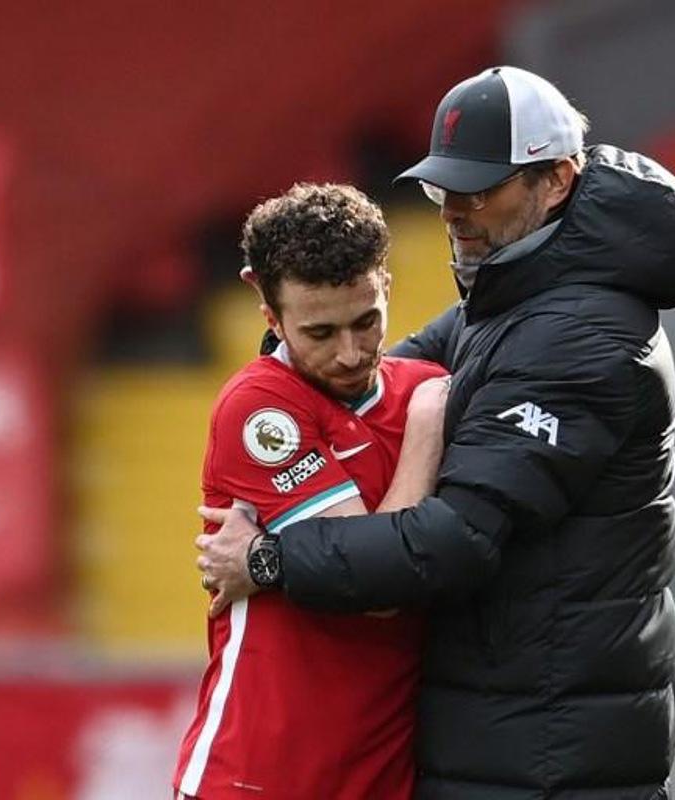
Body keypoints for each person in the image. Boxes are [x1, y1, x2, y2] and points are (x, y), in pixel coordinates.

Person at [197, 66, 675, 798]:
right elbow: (368, 391)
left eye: (481, 189)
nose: (454, 211)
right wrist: (274, 412)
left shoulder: (578, 335)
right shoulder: (512, 297)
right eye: (444, 189)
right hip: (512, 742)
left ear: (557, 180)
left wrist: (267, 560)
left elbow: (452, 541)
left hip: (547, 762)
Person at [173, 183, 449, 799]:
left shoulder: (424, 386)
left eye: (366, 321)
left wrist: (264, 563)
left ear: (387, 287)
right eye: (320, 332)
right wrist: (428, 430)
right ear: (269, 312)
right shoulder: (259, 407)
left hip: (380, 782)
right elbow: (375, 582)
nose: (351, 353)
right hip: (258, 780)